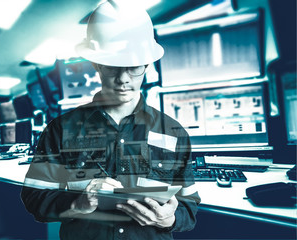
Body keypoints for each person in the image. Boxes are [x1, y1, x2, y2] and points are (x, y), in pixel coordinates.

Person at [21, 1, 200, 239]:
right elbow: (34, 197)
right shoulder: (60, 130)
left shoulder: (173, 132)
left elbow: (189, 204)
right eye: (113, 67)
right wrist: (77, 204)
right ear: (96, 63)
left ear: (147, 65)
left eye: (134, 67)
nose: (124, 78)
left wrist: (170, 219)